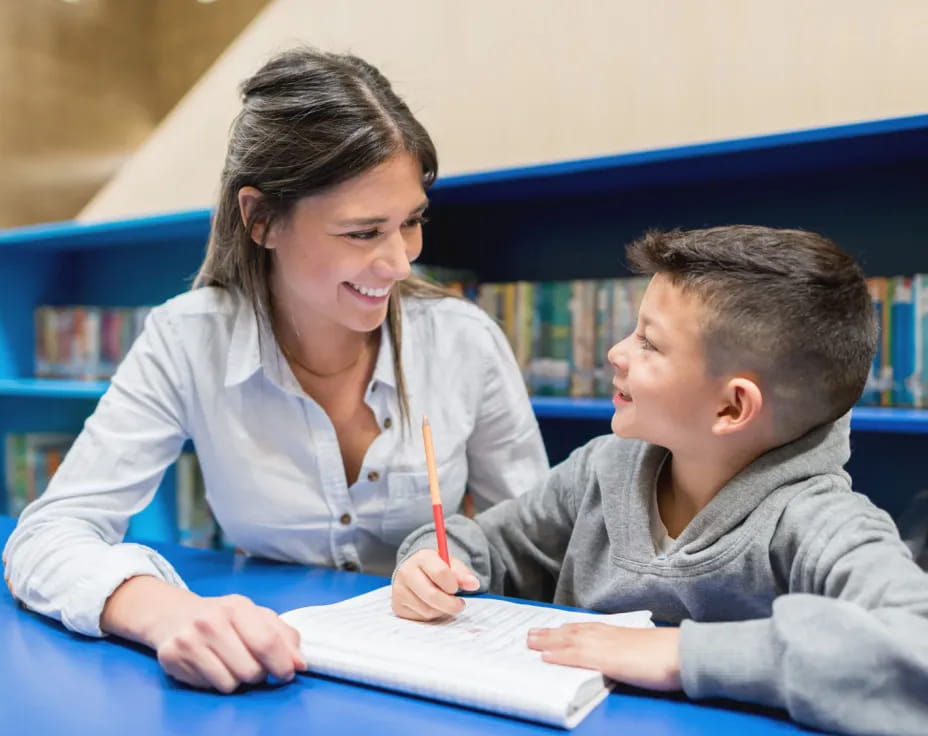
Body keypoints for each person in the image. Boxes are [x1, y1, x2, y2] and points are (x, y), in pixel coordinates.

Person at [2, 48, 548, 694]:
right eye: (362, 232)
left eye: (411, 223)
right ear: (261, 219)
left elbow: (540, 541)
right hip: (271, 674)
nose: (401, 263)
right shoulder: (188, 338)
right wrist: (164, 612)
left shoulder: (464, 342)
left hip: (440, 677)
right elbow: (47, 536)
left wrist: (463, 565)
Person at [392, 225, 928, 736]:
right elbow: (490, 546)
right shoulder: (601, 467)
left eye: (649, 343)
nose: (616, 353)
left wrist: (679, 654)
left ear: (732, 405)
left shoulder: (822, 522)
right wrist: (433, 561)